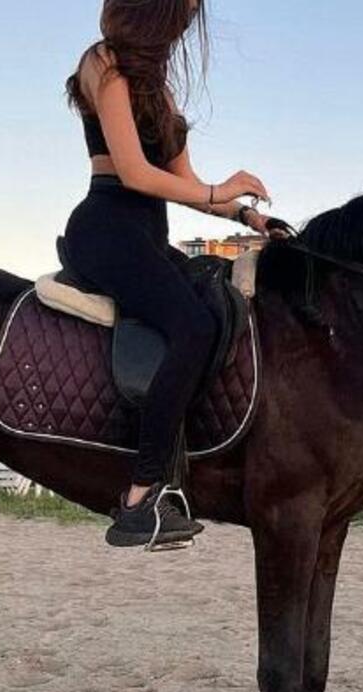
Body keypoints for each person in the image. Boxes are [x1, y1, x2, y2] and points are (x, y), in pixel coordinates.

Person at [64, 0, 280, 548]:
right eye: (179, 18)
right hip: (106, 227)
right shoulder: (103, 63)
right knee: (193, 326)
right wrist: (217, 191)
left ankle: (197, 465)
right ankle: (140, 496)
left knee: (220, 307)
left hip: (146, 237)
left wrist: (248, 216)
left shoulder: (159, 92)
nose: (183, 32)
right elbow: (135, 173)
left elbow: (187, 183)